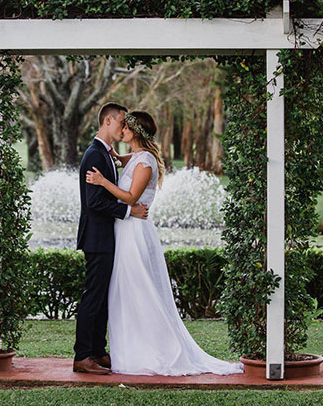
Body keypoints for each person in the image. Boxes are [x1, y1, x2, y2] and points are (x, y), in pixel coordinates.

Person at [85, 110, 243, 376]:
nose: (122, 129)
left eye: (126, 127)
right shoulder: (137, 157)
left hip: (134, 233)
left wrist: (102, 181)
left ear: (135, 132)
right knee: (126, 292)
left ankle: (155, 349)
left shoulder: (145, 161)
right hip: (125, 232)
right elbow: (132, 161)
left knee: (140, 291)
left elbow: (131, 195)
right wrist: (118, 157)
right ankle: (129, 348)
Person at [73, 102, 149, 375]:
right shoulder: (95, 155)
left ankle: (97, 351)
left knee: (102, 296)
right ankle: (83, 355)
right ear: (107, 121)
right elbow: (95, 202)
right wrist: (129, 211)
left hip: (105, 236)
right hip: (97, 237)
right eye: (120, 123)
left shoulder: (105, 154)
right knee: (93, 296)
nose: (123, 128)